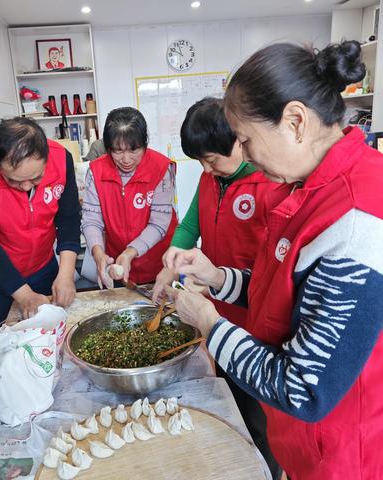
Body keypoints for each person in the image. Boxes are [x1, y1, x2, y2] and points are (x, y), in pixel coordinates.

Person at [164, 40, 383, 479]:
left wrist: (210, 323)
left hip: (339, 452)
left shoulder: (356, 220)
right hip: (303, 442)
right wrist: (219, 277)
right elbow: (281, 292)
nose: (245, 155)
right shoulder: (305, 187)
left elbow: (303, 389)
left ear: (295, 121)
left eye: (246, 139)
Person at [152, 97, 284, 480]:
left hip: (257, 318)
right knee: (230, 402)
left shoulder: (267, 182)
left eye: (212, 158)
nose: (206, 169)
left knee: (261, 417)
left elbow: (271, 262)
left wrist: (213, 278)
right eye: (201, 162)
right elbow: (190, 225)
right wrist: (173, 258)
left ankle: (266, 471)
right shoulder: (212, 179)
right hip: (219, 311)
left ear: (239, 141)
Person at [0, 117, 81, 332]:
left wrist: (66, 274)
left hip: (42, 265)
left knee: (53, 335)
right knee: (4, 339)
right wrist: (25, 295)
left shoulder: (61, 159)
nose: (26, 187)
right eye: (13, 180)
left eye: (36, 178)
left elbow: (68, 219)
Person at [81, 107, 177, 286]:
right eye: (118, 151)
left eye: (134, 150)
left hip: (158, 264)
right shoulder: (96, 171)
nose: (126, 159)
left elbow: (159, 222)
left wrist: (130, 252)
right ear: (108, 148)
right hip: (117, 263)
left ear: (144, 144)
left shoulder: (161, 168)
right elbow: (91, 219)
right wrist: (98, 253)